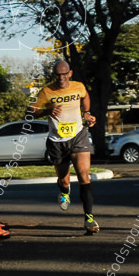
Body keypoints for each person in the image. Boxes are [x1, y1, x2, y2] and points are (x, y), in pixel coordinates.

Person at [27, 61, 100, 234]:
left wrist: (87, 113)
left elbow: (85, 96)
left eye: (64, 74)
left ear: (70, 73)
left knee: (84, 175)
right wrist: (47, 111)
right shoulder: (46, 91)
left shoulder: (78, 86)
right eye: (58, 75)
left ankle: (89, 219)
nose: (61, 78)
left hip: (78, 136)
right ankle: (64, 190)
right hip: (56, 140)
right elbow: (30, 111)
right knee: (64, 178)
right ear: (54, 75)